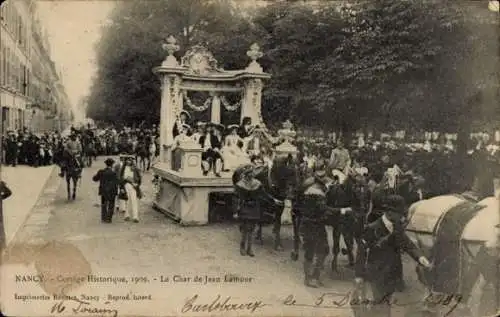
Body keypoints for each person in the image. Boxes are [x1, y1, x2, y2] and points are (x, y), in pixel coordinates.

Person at [353, 194, 432, 317]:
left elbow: (408, 244)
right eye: (400, 213)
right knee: (381, 307)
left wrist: (421, 258)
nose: (402, 217)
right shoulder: (372, 228)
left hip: (392, 274)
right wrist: (358, 275)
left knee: (385, 305)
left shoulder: (397, 227)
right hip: (376, 274)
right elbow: (361, 252)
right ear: (389, 212)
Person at [298, 159, 335, 288]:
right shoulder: (314, 192)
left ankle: (315, 275)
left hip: (317, 224)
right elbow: (323, 209)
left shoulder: (318, 189)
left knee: (323, 250)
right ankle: (308, 278)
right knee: (310, 251)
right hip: (310, 224)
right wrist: (339, 211)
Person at [234, 165, 283, 257]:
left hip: (254, 207)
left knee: (251, 228)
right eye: (249, 173)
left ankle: (249, 248)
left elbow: (264, 194)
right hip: (244, 207)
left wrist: (274, 200)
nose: (251, 175)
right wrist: (235, 211)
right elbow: (236, 198)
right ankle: (242, 246)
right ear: (245, 174)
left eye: (252, 173)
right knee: (245, 229)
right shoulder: (240, 185)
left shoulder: (257, 183)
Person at [92, 158, 119, 223]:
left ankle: (104, 218)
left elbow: (94, 179)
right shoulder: (114, 173)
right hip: (112, 191)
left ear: (106, 164)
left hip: (103, 191)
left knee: (104, 204)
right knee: (111, 204)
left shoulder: (101, 171)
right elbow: (117, 182)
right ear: (112, 165)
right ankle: (109, 218)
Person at [118, 155, 142, 223]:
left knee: (134, 201)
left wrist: (137, 184)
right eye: (127, 160)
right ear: (125, 161)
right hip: (126, 186)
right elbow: (120, 178)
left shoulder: (135, 168)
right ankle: (127, 215)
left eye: (130, 160)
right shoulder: (123, 169)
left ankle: (135, 216)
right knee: (126, 200)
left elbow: (139, 178)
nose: (129, 161)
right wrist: (121, 187)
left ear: (132, 161)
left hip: (133, 186)